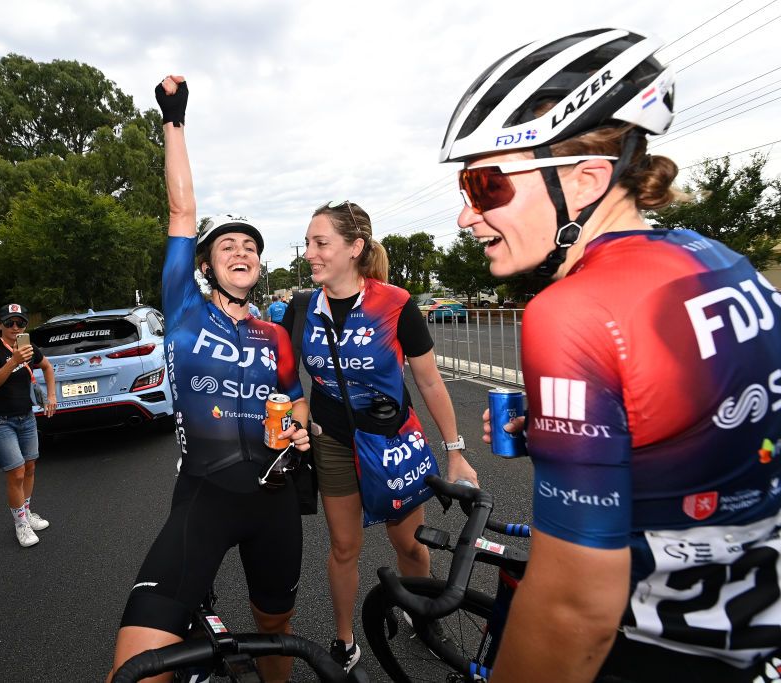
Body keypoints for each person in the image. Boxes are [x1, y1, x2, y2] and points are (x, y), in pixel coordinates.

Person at [442, 28, 781, 683]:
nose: (465, 216)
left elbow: (574, 607)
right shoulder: (723, 263)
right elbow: (714, 429)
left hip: (657, 646)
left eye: (484, 186)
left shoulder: (573, 309)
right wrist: (561, 435)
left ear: (587, 178)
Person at [106, 75, 311, 683]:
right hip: (205, 496)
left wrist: (299, 432)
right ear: (205, 264)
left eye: (251, 244)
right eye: (228, 244)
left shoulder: (276, 335)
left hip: (274, 502)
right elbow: (181, 210)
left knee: (276, 631)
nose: (242, 250)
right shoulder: (185, 309)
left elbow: (295, 405)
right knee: (140, 668)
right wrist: (174, 121)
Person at [281, 199, 477, 669]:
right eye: (308, 242)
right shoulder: (303, 307)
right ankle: (345, 641)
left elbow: (429, 381)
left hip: (392, 442)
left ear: (355, 248)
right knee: (344, 547)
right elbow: (283, 376)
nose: (308, 252)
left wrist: (455, 452)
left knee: (408, 544)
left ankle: (420, 617)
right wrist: (294, 415)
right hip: (332, 443)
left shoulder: (397, 303)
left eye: (320, 242)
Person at [0, 304, 57, 548]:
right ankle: (20, 524)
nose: (15, 327)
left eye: (20, 323)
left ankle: (27, 512)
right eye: (9, 322)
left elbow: (48, 367)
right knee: (16, 471)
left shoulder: (29, 349)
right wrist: (13, 362)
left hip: (25, 417)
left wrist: (51, 396)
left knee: (30, 467)